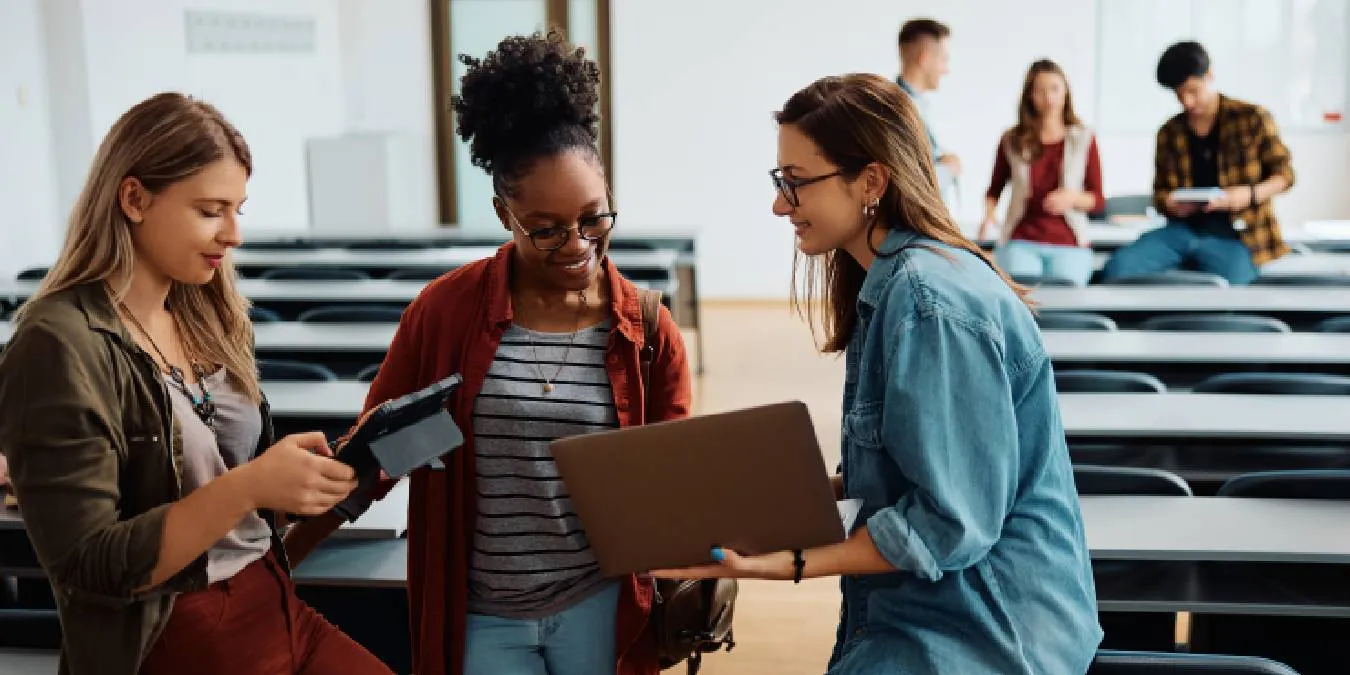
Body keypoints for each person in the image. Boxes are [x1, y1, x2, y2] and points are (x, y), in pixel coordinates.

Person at [659, 73, 1102, 674]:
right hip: (938, 613)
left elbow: (951, 520)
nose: (778, 205)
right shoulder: (896, 282)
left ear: (870, 181)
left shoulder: (927, 301)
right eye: (778, 182)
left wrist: (784, 562)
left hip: (988, 630)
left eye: (795, 184)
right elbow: (906, 469)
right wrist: (761, 502)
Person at [283, 30, 692, 675]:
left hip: (600, 603)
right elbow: (379, 456)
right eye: (547, 230)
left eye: (595, 218)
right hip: (481, 616)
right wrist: (278, 559)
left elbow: (676, 481)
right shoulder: (444, 315)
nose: (578, 245)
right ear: (505, 213)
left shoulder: (644, 330)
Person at [0, 93, 392, 675]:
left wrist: (315, 486)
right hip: (171, 639)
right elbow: (90, 565)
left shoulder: (205, 309)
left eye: (239, 208)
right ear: (133, 198)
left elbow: (233, 509)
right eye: (211, 210)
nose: (234, 233)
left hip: (272, 606)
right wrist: (253, 486)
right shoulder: (57, 342)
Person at [1101, 41, 1295, 285]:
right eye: (1179, 94)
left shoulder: (1252, 119)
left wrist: (1248, 195)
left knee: (1236, 287)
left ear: (1210, 76)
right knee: (1119, 269)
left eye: (1193, 91)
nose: (1187, 102)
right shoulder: (1169, 132)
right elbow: (1160, 194)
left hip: (1238, 233)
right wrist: (1172, 205)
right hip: (1182, 231)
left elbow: (1285, 175)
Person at [981, 59, 1104, 286]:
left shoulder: (1084, 138)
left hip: (1069, 241)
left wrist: (1072, 198)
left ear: (1066, 91)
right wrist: (988, 216)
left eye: (1055, 89)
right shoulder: (1011, 140)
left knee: (1068, 296)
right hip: (1021, 239)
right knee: (1023, 298)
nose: (1049, 99)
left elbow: (1097, 200)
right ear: (1029, 95)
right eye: (1040, 91)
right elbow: (994, 188)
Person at [897, 18, 961, 210]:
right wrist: (948, 170)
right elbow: (907, 183)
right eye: (944, 59)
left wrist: (940, 161)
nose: (946, 70)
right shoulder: (898, 110)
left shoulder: (916, 105)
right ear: (925, 58)